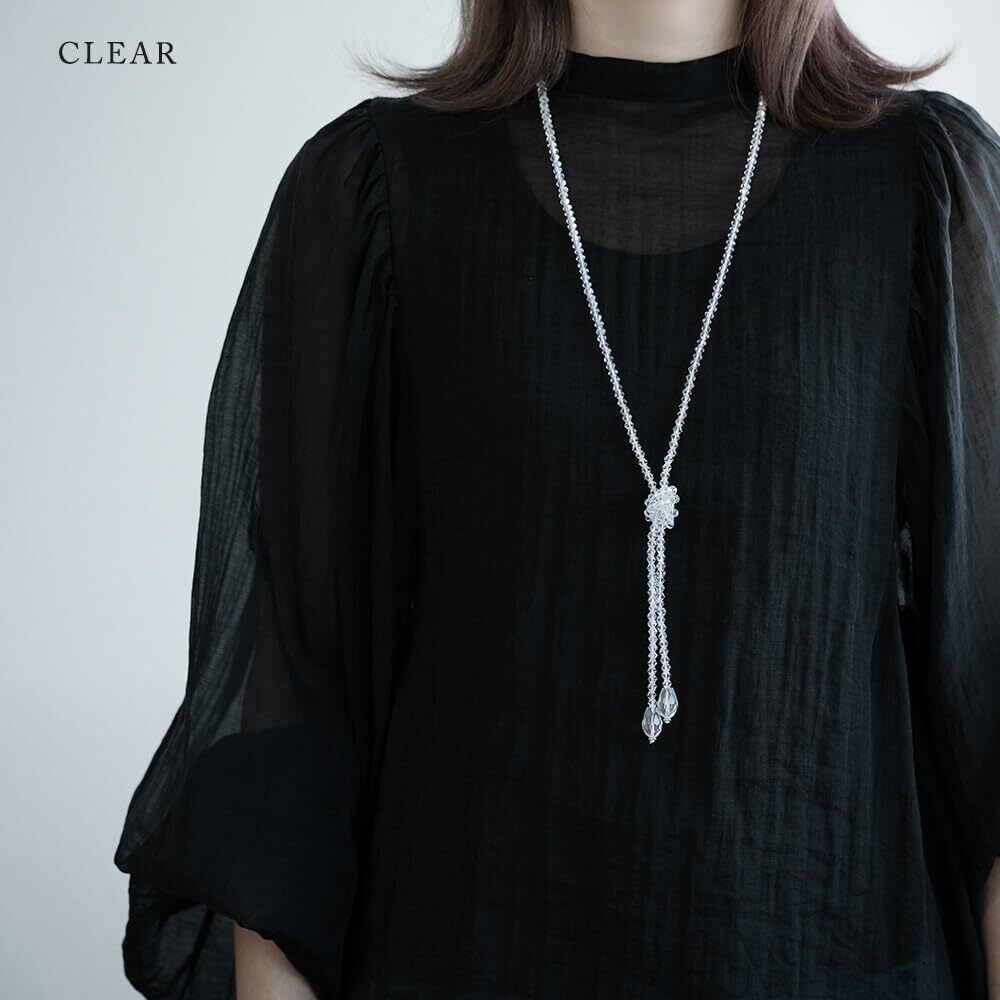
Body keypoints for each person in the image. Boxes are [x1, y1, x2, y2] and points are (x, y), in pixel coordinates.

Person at [113, 0, 1000, 996]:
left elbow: (985, 676)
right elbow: (298, 681)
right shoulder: (379, 183)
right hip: (461, 939)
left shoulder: (923, 178)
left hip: (823, 938)